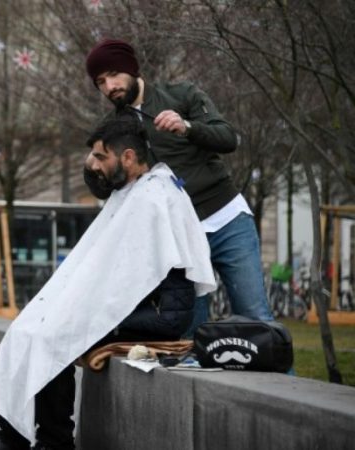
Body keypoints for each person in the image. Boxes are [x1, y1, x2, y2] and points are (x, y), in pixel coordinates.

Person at [0, 116, 216, 450]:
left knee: (54, 336)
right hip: (136, 307)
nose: (93, 165)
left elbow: (139, 277)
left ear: (129, 157)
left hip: (159, 315)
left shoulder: (154, 198)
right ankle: (11, 435)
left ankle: (54, 441)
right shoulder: (135, 191)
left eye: (101, 157)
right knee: (26, 328)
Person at [85, 38, 275, 333]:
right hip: (177, 238)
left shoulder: (181, 94)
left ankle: (280, 379)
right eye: (100, 82)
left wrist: (188, 127)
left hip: (225, 219)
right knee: (189, 332)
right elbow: (105, 189)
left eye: (113, 75)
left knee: (256, 317)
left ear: (132, 69)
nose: (110, 86)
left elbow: (228, 138)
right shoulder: (112, 128)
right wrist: (93, 167)